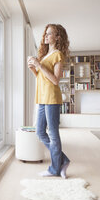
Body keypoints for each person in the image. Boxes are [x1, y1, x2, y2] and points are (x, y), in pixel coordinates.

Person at [27, 24, 70, 178]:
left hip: (51, 98)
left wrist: (39, 65)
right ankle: (63, 160)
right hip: (42, 97)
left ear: (57, 37)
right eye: (45, 33)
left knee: (52, 133)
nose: (45, 36)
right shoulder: (45, 56)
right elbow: (41, 78)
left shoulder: (57, 54)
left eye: (49, 33)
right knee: (40, 131)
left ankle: (54, 168)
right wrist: (33, 68)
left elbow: (55, 80)